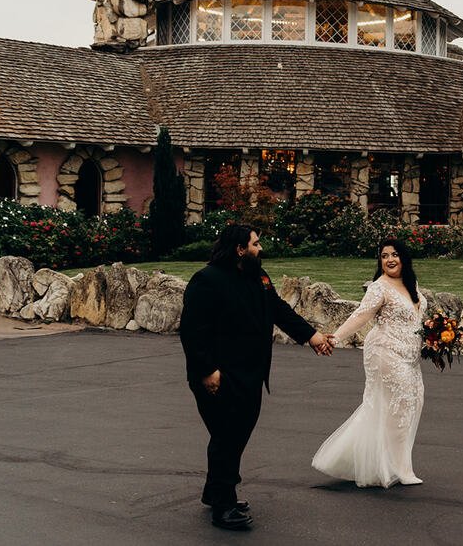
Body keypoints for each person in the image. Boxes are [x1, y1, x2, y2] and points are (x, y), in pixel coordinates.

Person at [180, 224, 334, 531]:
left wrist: (312, 336)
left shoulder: (258, 277)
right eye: (256, 244)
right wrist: (207, 370)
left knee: (234, 436)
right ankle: (223, 506)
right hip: (219, 376)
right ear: (240, 249)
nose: (260, 248)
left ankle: (216, 492)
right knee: (227, 436)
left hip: (251, 374)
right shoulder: (207, 280)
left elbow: (277, 310)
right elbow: (192, 331)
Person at [312, 238, 427, 487]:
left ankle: (372, 460)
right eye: (384, 256)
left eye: (394, 254)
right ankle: (401, 469)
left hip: (411, 357)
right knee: (399, 408)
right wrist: (336, 337)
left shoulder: (411, 284)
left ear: (404, 258)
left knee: (412, 404)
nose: (390, 260)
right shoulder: (379, 287)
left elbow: (416, 320)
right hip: (386, 352)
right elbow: (361, 315)